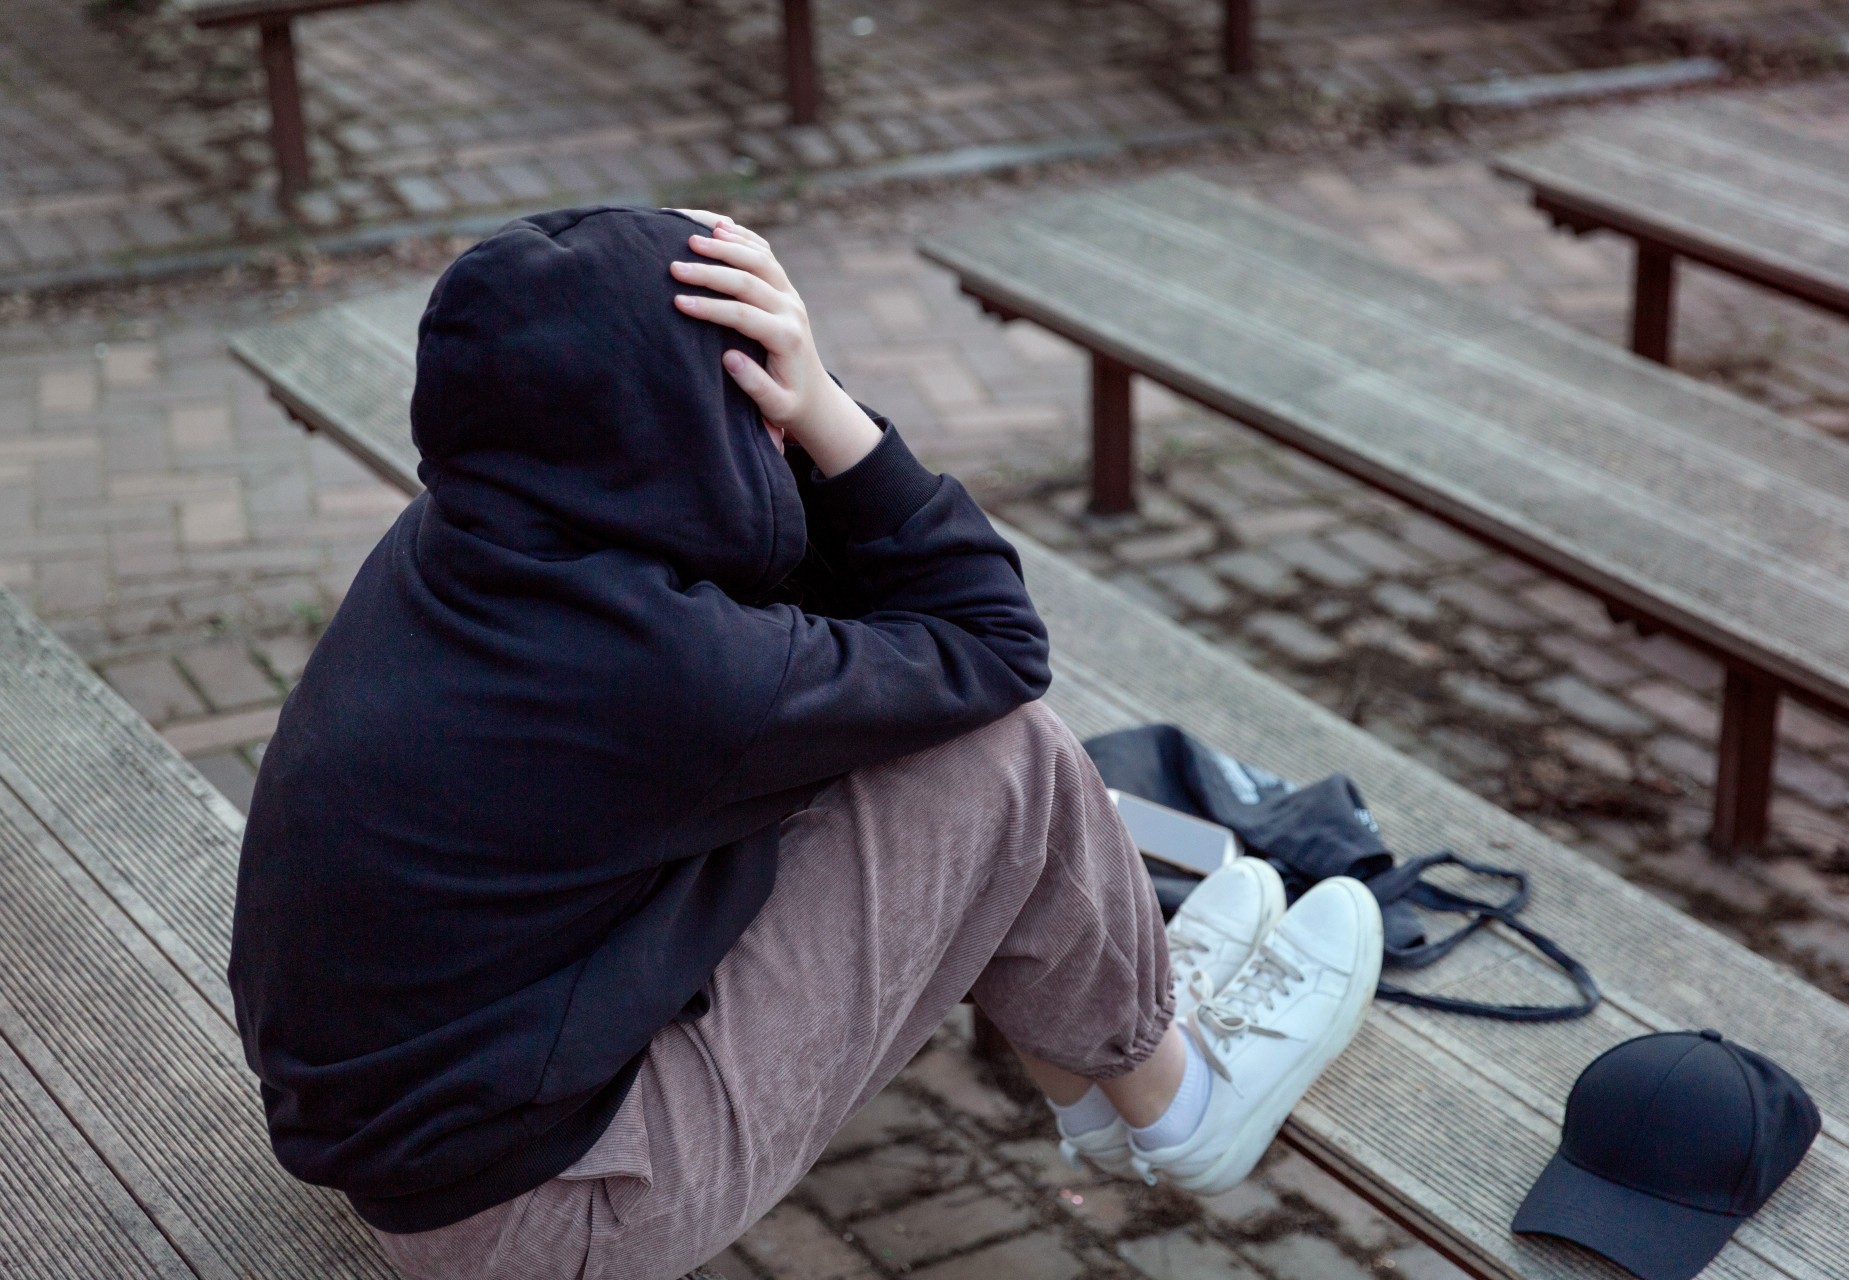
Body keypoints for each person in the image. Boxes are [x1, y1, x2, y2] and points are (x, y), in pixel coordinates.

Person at [226, 204, 1384, 1280]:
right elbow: (994, 647)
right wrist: (828, 406)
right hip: (547, 1213)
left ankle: (1099, 1065)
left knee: (878, 739)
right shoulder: (670, 666)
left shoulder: (467, 543)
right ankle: (1182, 1104)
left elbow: (839, 625)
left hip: (419, 1130)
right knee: (1004, 762)